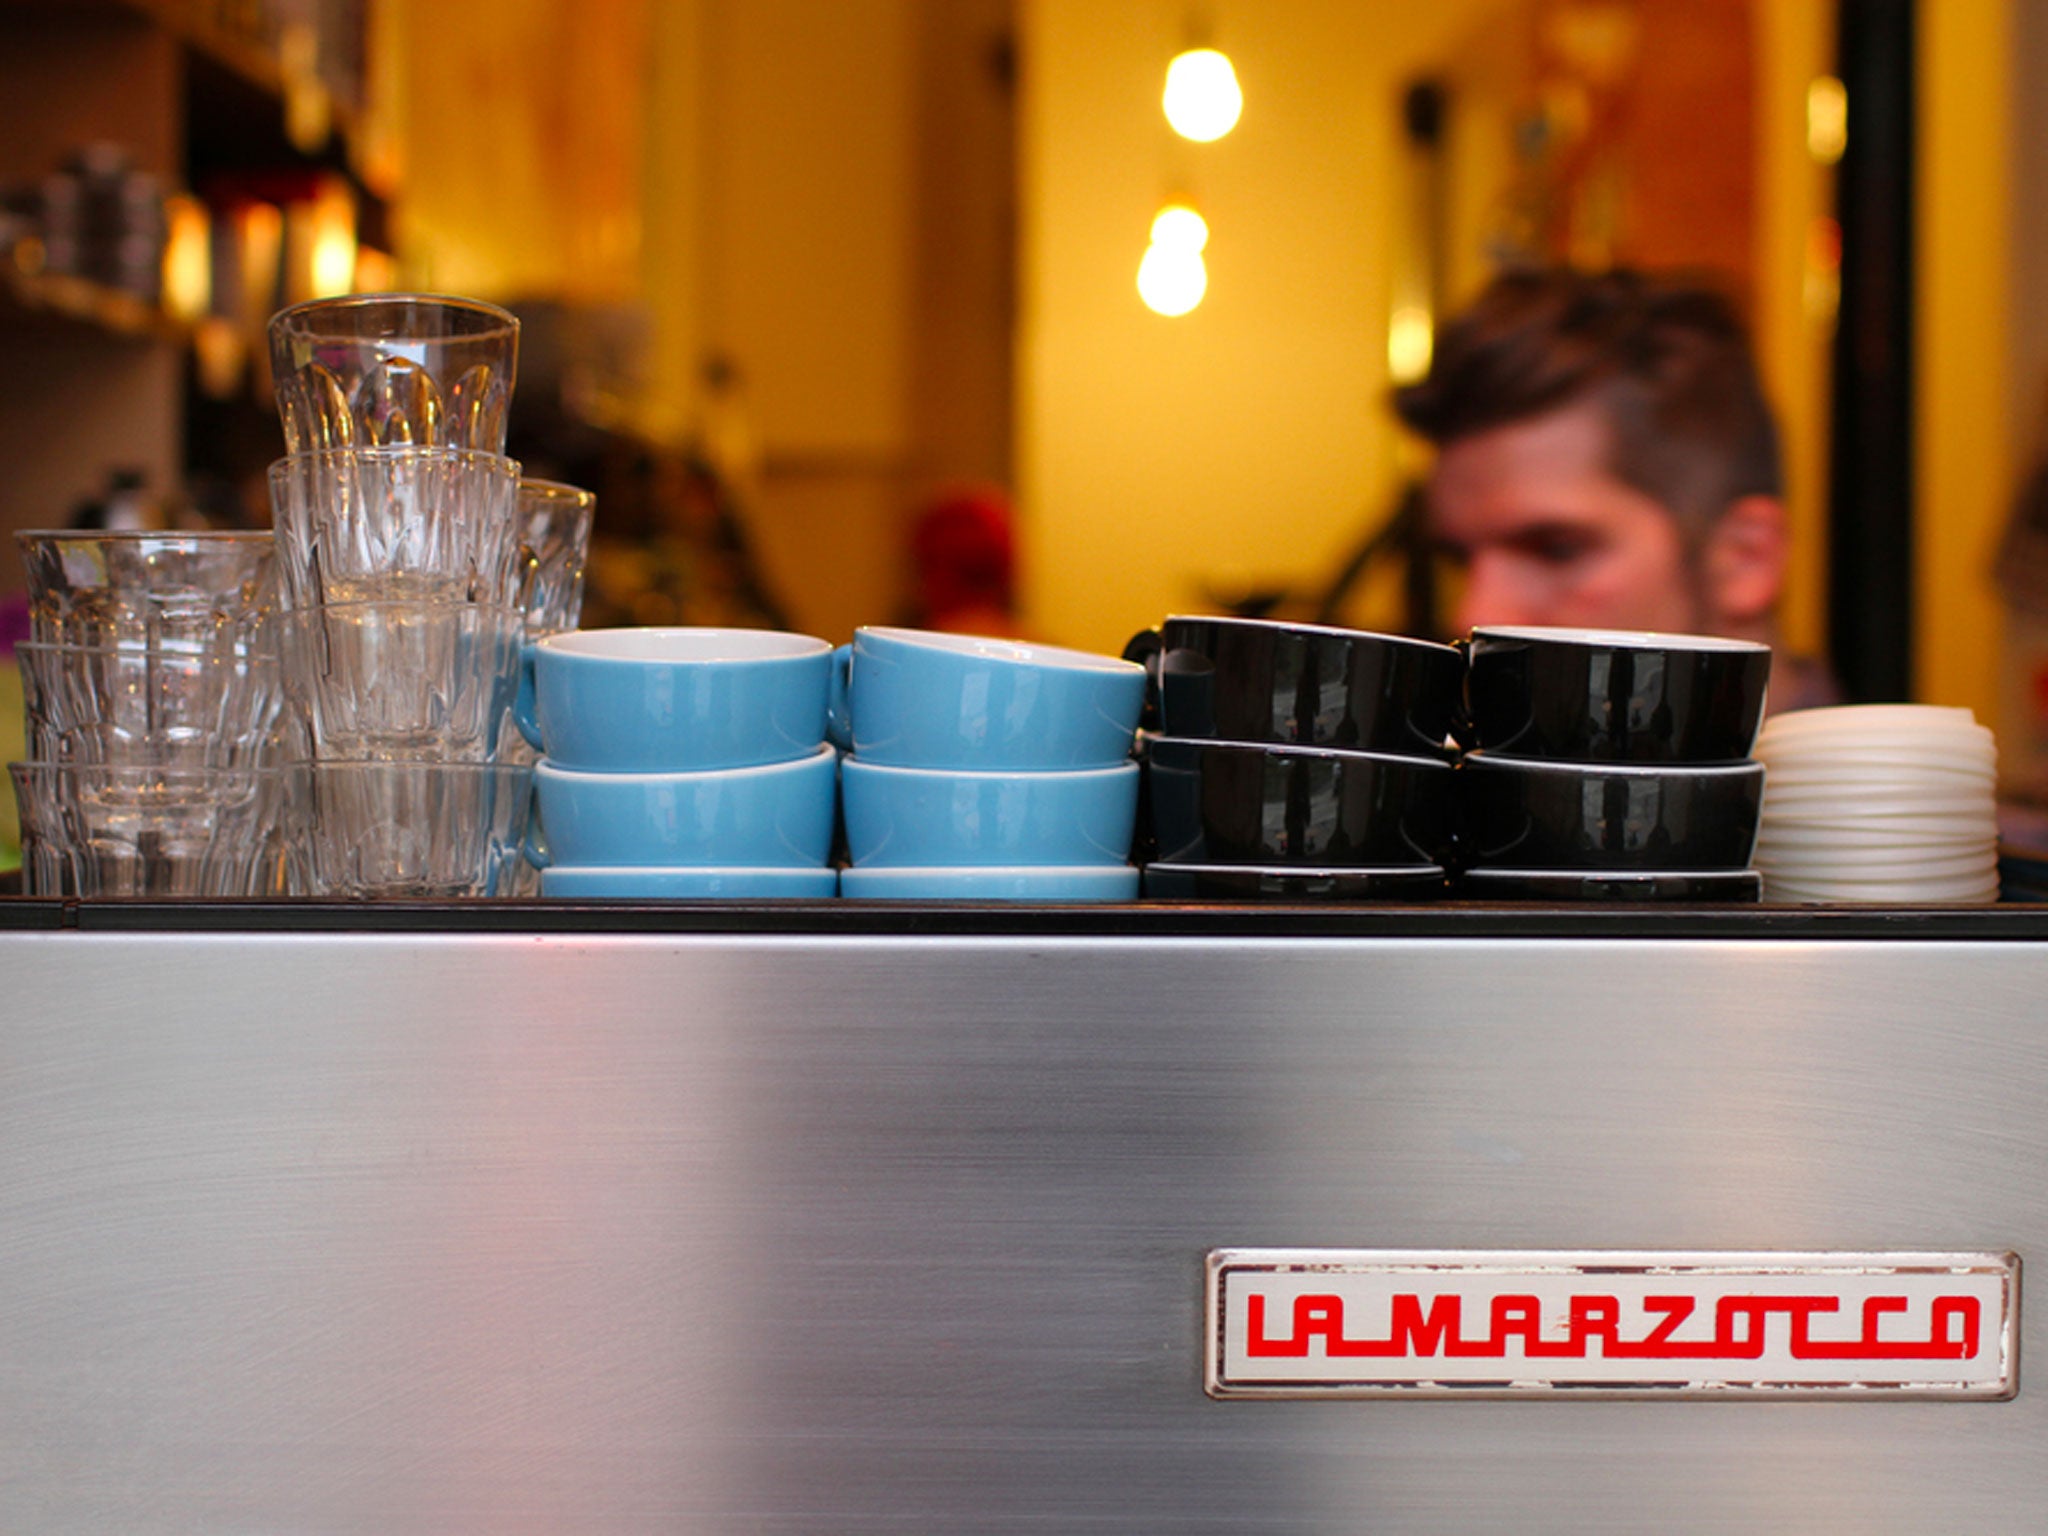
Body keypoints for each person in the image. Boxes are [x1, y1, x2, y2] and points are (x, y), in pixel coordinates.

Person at [1394, 265, 1838, 710]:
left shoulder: (1898, 780)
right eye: (1458, 561)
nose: (1474, 616)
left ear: (1746, 557)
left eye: (1557, 549)